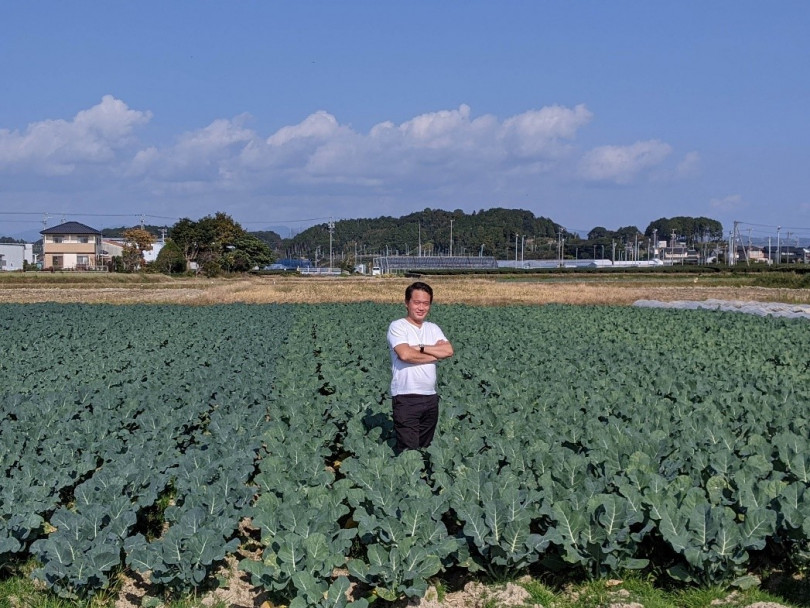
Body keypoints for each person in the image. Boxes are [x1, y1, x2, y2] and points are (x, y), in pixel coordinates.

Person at [387, 281, 454, 452]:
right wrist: (434, 355)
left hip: (430, 397)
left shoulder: (433, 328)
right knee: (408, 451)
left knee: (425, 448)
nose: (421, 307)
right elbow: (405, 354)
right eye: (417, 302)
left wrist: (421, 347)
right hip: (406, 397)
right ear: (406, 303)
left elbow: (448, 351)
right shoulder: (398, 326)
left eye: (426, 303)